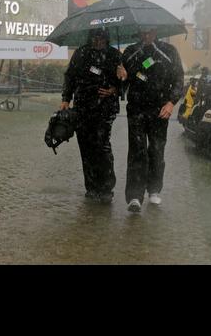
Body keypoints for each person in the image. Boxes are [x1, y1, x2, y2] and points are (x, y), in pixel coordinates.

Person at [118, 25, 184, 212]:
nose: (147, 35)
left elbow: (179, 79)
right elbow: (122, 84)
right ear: (139, 32)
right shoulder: (130, 52)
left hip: (160, 110)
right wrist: (121, 77)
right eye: (143, 32)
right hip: (136, 109)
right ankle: (134, 196)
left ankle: (154, 189)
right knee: (137, 151)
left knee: (156, 149)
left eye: (150, 31)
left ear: (156, 31)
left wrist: (171, 102)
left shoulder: (169, 51)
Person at [60, 27, 122, 202]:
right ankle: (92, 187)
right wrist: (66, 98)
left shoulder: (115, 55)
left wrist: (115, 88)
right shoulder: (81, 53)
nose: (98, 42)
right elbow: (70, 76)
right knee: (86, 147)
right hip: (83, 107)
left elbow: (124, 82)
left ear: (106, 39)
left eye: (101, 39)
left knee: (102, 146)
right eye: (95, 38)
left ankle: (106, 187)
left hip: (105, 109)